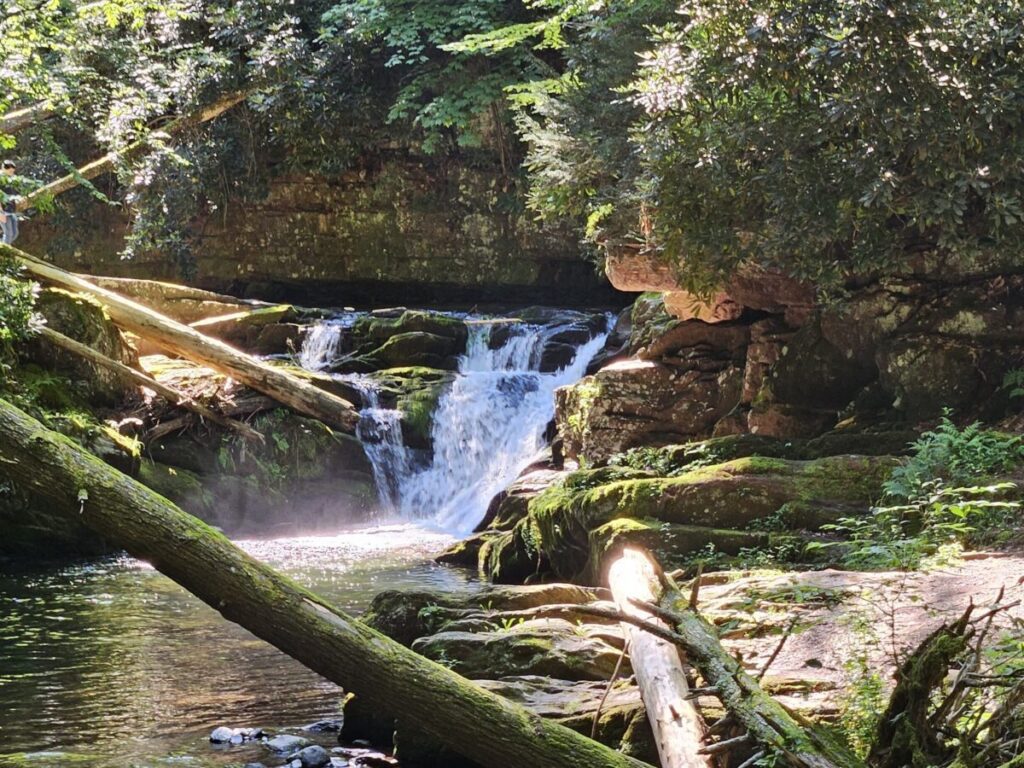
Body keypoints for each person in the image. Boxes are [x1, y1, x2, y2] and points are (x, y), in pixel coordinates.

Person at [1, 160, 19, 244]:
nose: (12, 171)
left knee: (15, 234)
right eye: (10, 170)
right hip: (3, 211)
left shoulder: (11, 180)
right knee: (8, 234)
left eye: (13, 170)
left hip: (11, 210)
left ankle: (2, 247)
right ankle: (3, 254)